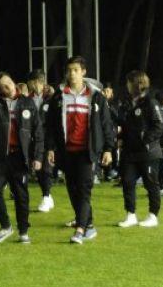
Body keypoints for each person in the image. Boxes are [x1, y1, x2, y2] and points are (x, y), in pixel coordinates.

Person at [45, 56, 114, 244]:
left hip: (86, 151)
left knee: (84, 190)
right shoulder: (59, 96)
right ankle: (89, 225)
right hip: (66, 151)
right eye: (69, 70)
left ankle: (80, 230)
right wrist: (50, 148)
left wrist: (108, 148)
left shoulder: (96, 96)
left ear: (83, 72)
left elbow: (106, 124)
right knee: (72, 190)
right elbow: (50, 125)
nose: (72, 73)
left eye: (76, 70)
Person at [0, 72, 43, 244]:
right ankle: (5, 226)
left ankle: (23, 231)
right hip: (0, 157)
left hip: (19, 156)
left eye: (8, 83)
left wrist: (38, 156)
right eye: (2, 86)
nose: (7, 87)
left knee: (20, 195)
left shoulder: (27, 102)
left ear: (14, 81)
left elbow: (38, 131)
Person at [117, 71, 163, 228]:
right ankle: (130, 215)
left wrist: (145, 140)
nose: (127, 85)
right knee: (128, 182)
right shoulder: (128, 103)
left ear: (137, 84)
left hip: (148, 152)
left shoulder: (151, 102)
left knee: (151, 184)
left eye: (129, 82)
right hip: (131, 152)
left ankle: (153, 215)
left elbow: (159, 125)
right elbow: (127, 126)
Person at [27, 69, 55, 212]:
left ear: (39, 82)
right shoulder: (28, 98)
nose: (30, 85)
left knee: (46, 168)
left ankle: (46, 196)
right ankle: (48, 196)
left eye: (32, 82)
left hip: (48, 138)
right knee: (38, 169)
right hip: (34, 138)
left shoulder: (52, 97)